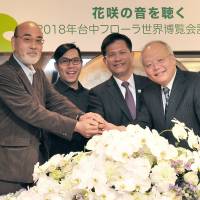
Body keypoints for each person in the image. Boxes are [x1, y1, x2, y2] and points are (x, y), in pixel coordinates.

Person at [0, 21, 105, 195]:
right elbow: (32, 111)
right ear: (13, 42)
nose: (34, 46)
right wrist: (76, 126)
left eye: (39, 40)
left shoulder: (38, 73)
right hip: (11, 168)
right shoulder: (5, 74)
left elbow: (56, 100)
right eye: (27, 39)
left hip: (36, 164)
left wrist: (81, 116)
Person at [137, 40, 200, 145]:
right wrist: (116, 129)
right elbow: (141, 125)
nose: (156, 67)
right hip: (163, 159)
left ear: (173, 59)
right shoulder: (148, 92)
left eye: (160, 60)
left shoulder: (196, 82)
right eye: (149, 65)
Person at [88, 33, 150, 127]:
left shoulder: (150, 85)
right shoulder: (97, 94)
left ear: (132, 55)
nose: (118, 58)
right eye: (112, 54)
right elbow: (98, 126)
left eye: (122, 52)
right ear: (105, 61)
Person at [49, 43, 89, 155]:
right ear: (56, 66)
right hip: (55, 164)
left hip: (89, 164)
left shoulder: (92, 95)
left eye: (76, 61)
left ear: (81, 64)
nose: (71, 66)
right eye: (65, 61)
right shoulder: (48, 95)